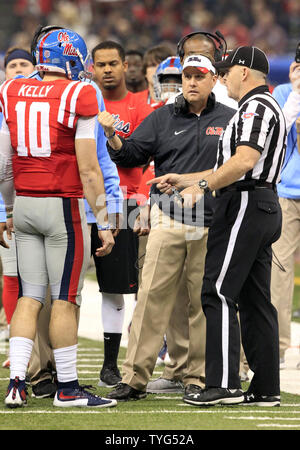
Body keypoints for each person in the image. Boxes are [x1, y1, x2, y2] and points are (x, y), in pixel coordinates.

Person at [151, 46, 286, 407]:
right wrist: (187, 179)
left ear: (245, 72)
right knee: (255, 299)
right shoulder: (259, 106)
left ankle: (223, 384)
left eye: (226, 72)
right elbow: (232, 166)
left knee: (218, 291)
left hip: (245, 202)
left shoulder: (256, 106)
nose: (222, 79)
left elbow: (244, 161)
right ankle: (266, 387)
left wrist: (203, 187)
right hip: (257, 201)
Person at [98, 53, 236, 401]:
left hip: (212, 221)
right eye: (186, 76)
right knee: (151, 298)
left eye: (198, 75)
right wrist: (112, 135)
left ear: (212, 79)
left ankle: (198, 376)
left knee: (202, 302)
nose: (190, 82)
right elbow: (131, 155)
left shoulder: (230, 118)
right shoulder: (161, 117)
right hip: (170, 217)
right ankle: (134, 377)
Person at [0, 27, 117, 409]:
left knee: (28, 297)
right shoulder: (78, 93)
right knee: (65, 298)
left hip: (25, 204)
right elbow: (88, 169)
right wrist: (103, 218)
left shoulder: (11, 89)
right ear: (71, 59)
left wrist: (5, 208)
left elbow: (3, 163)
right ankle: (67, 387)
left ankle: (17, 382)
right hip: (62, 207)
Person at [91, 40, 153, 388]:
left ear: (126, 64)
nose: (108, 70)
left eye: (114, 63)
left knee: (129, 289)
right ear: (92, 68)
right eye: (101, 65)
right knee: (101, 290)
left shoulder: (141, 106)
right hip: (89, 201)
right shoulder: (83, 102)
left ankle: (121, 365)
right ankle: (108, 366)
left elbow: (148, 160)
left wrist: (143, 203)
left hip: (128, 205)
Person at [0, 47, 35, 353]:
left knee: (41, 280)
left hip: (39, 198)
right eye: (13, 65)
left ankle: (35, 346)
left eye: (25, 63)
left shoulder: (44, 101)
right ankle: (16, 347)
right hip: (8, 204)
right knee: (12, 274)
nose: (20, 69)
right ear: (5, 72)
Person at [270, 58, 300, 370]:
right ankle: (276, 348)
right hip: (287, 191)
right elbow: (278, 134)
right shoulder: (281, 93)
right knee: (278, 272)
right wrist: (296, 92)